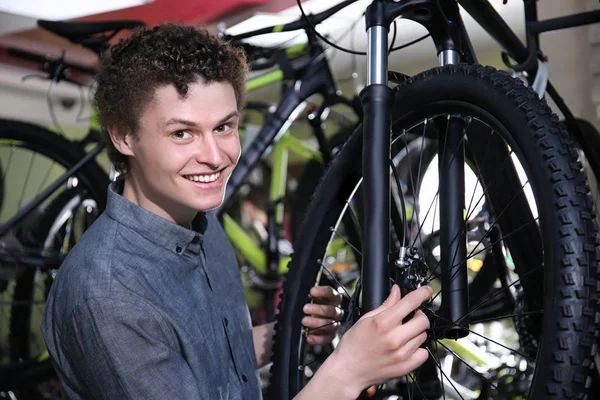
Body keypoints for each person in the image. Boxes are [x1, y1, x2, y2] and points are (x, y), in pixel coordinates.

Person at [41, 24, 433, 399]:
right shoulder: (108, 297)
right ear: (124, 136)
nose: (214, 157)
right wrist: (348, 372)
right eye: (182, 133)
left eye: (224, 127)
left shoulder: (201, 225)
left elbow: (210, 362)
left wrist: (290, 329)